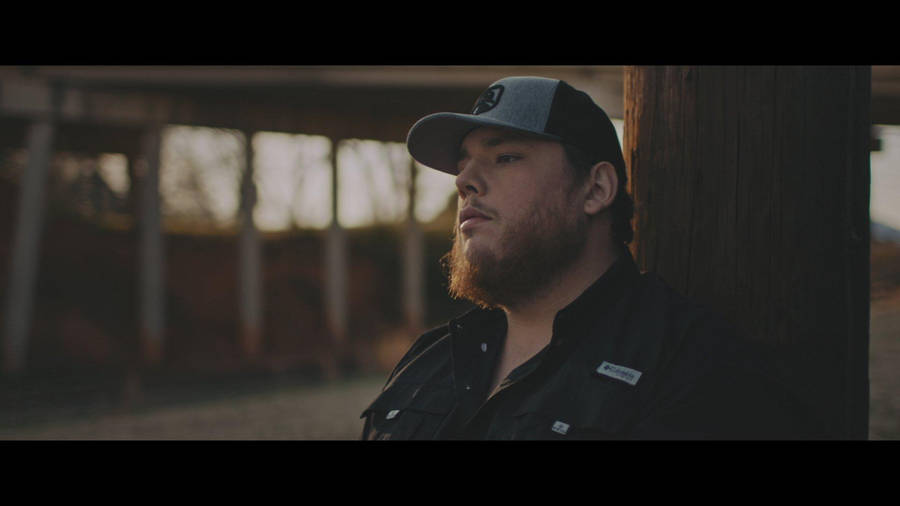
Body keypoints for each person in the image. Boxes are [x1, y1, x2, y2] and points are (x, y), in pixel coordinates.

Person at [360, 76, 823, 440]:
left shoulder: (696, 370)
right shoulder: (431, 358)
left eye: (506, 157)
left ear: (596, 189)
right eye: (463, 164)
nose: (465, 181)